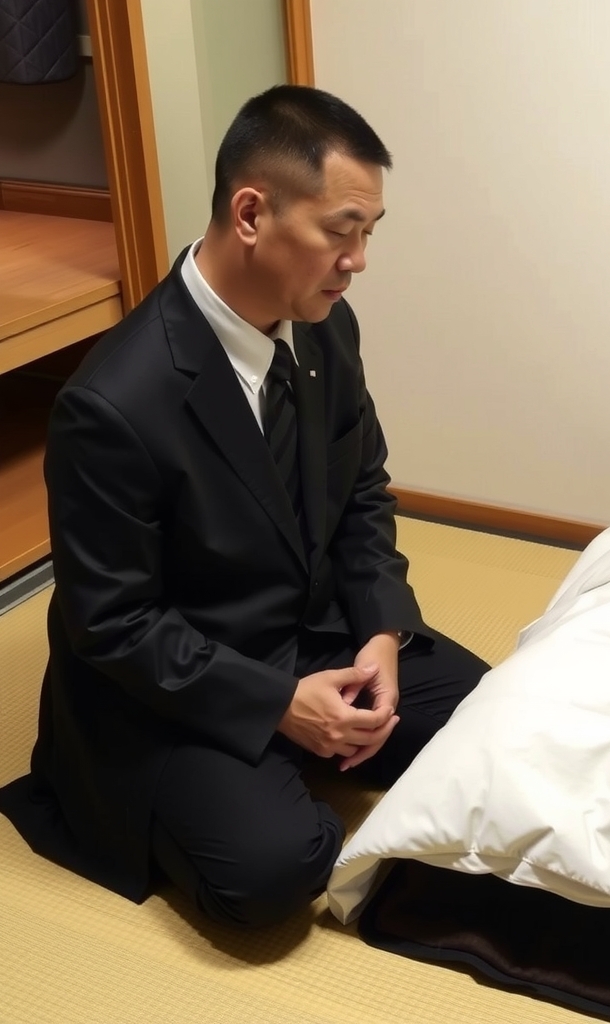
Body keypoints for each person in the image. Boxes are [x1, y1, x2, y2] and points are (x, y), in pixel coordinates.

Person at [0, 85, 489, 928]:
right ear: (252, 212)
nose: (359, 260)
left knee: (488, 715)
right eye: (341, 231)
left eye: (369, 234)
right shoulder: (112, 403)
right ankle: (267, 757)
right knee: (276, 870)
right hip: (178, 674)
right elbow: (112, 624)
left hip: (305, 624)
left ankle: (308, 735)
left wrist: (379, 633)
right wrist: (277, 705)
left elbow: (363, 489)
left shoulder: (325, 328)